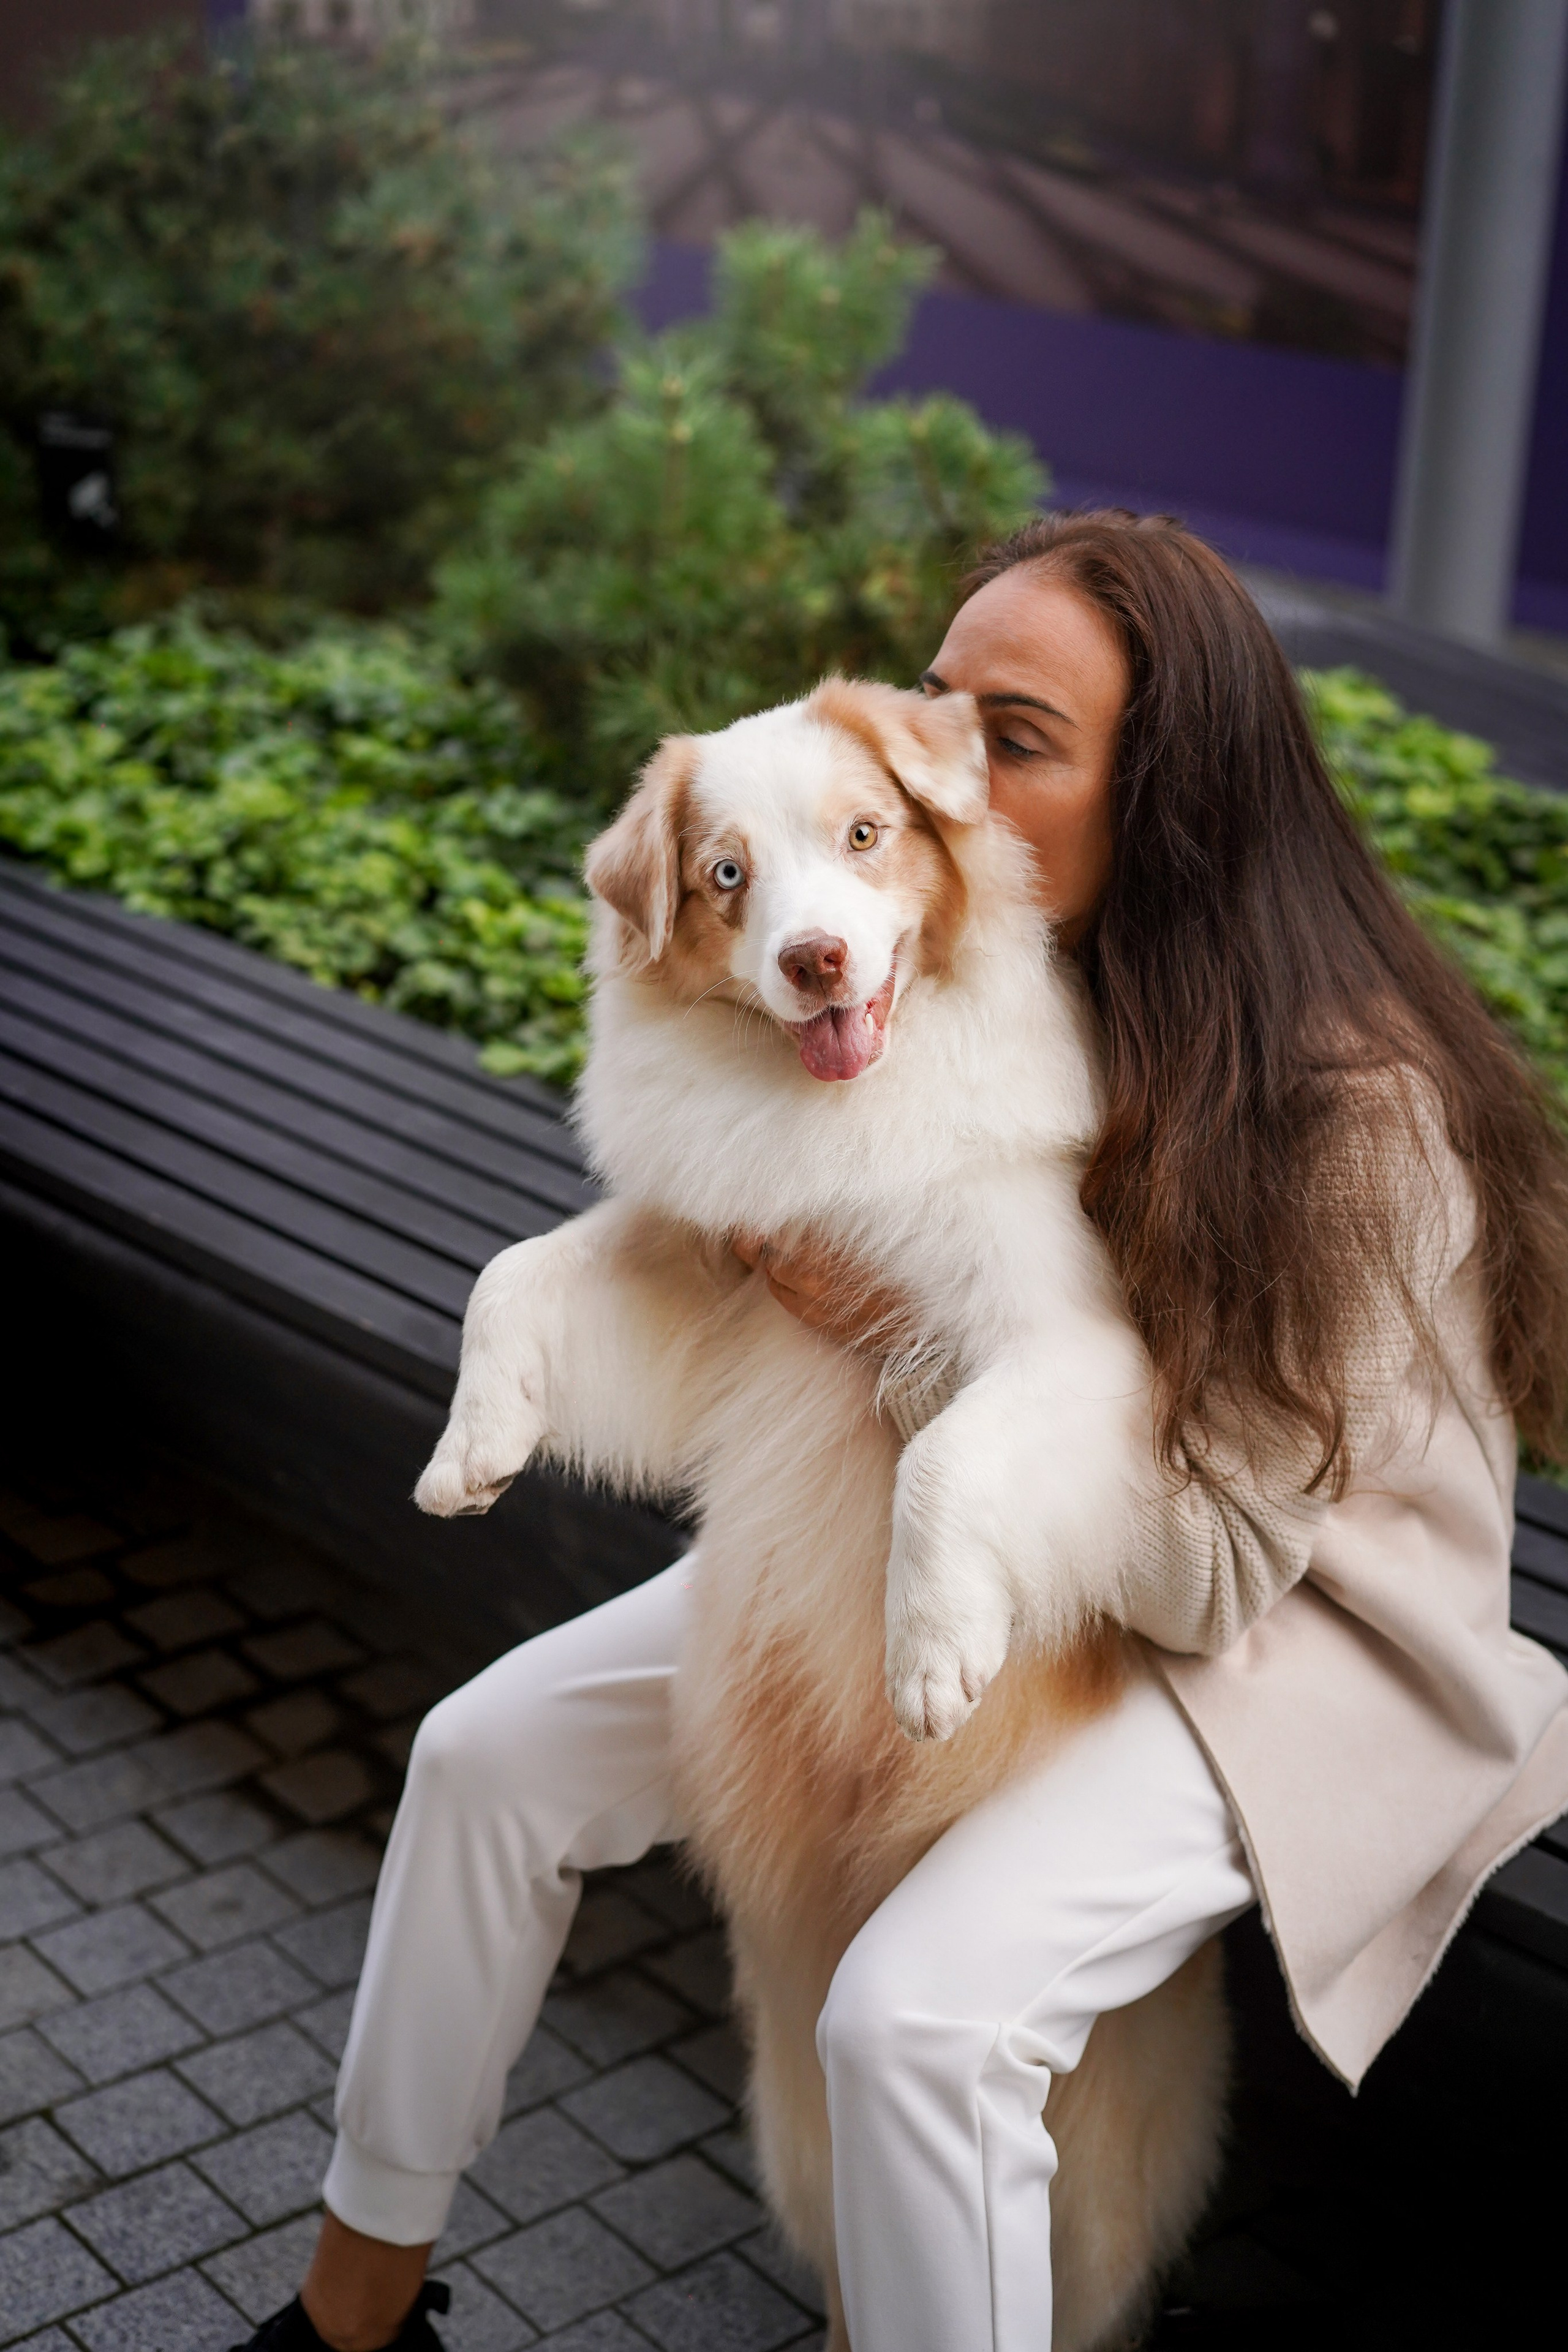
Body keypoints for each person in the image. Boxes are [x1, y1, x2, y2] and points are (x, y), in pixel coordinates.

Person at [236, 511, 1568, 2352]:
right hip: (1002, 1566)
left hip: (1273, 1648)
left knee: (916, 2016)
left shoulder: (1350, 1110)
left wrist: (900, 1344)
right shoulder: (953, 956)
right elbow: (751, 1274)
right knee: (485, 1758)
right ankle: (344, 2323)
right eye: (938, 701)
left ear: (1168, 795)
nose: (928, 759)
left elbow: (1208, 1573)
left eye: (1013, 738)